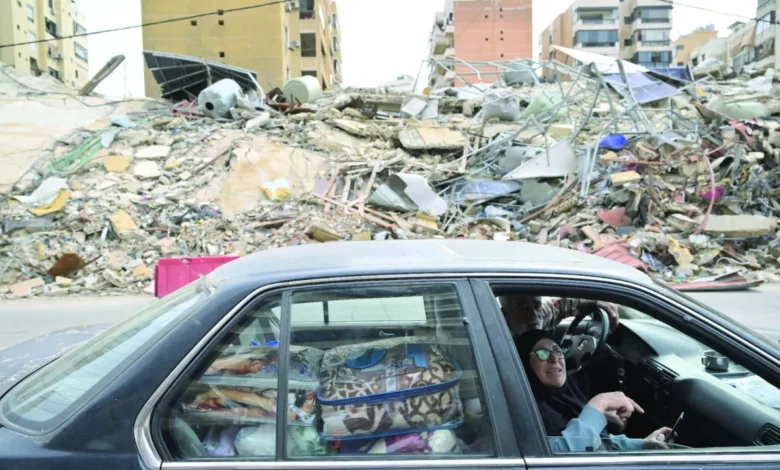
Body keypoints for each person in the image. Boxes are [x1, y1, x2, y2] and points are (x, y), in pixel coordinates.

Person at [517, 329, 672, 452]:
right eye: (542, 353)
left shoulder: (565, 400)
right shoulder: (526, 414)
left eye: (557, 350)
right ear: (524, 364)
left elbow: (597, 442)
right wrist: (600, 403)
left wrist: (642, 445)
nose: (554, 358)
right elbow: (562, 458)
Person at [498, 295, 619, 336]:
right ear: (505, 314)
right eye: (523, 308)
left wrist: (597, 301)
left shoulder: (540, 315)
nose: (533, 315)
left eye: (536, 305)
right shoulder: (496, 339)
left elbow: (560, 306)